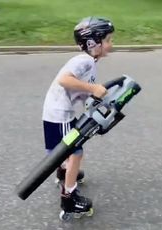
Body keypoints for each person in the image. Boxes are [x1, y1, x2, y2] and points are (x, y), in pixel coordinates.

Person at [42, 16, 115, 219]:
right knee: (75, 152)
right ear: (94, 43)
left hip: (57, 111)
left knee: (64, 149)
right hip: (60, 113)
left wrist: (95, 101)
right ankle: (69, 198)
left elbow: (82, 93)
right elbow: (65, 80)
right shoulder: (84, 61)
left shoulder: (88, 62)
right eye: (108, 40)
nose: (111, 44)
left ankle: (64, 172)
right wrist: (93, 88)